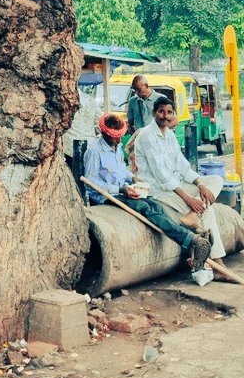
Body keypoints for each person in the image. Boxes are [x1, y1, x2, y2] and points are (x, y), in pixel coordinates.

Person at [84, 113, 211, 271]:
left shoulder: (116, 148)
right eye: (114, 138)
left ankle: (191, 240)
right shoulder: (94, 151)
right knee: (145, 208)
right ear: (104, 134)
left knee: (155, 205)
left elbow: (121, 171)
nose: (118, 141)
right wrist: (121, 189)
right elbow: (91, 183)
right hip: (107, 197)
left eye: (119, 137)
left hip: (123, 191)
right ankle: (192, 239)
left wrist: (133, 180)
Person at [134, 95, 231, 279]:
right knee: (207, 210)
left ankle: (194, 216)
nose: (165, 115)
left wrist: (200, 185)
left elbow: (183, 167)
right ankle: (218, 265)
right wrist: (188, 198)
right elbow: (162, 176)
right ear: (154, 113)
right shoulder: (147, 136)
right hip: (158, 192)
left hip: (177, 186)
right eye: (161, 111)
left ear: (173, 114)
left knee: (215, 181)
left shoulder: (169, 135)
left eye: (169, 112)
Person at [63, 84, 101, 169]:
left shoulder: (63, 102)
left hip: (69, 149)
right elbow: (100, 123)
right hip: (89, 146)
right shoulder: (91, 100)